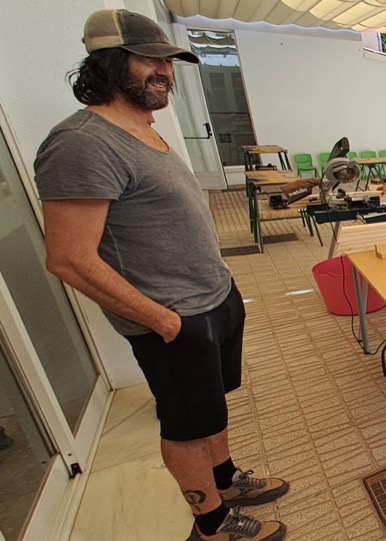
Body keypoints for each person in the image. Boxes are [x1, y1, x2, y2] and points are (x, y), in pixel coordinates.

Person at [34, 10, 288, 541]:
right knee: (186, 425)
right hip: (172, 318)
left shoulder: (143, 128)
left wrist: (221, 293)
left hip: (212, 299)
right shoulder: (82, 142)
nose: (165, 72)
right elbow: (69, 258)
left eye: (168, 63)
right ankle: (212, 523)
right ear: (108, 62)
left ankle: (225, 479)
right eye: (150, 60)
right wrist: (164, 321)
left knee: (210, 408)